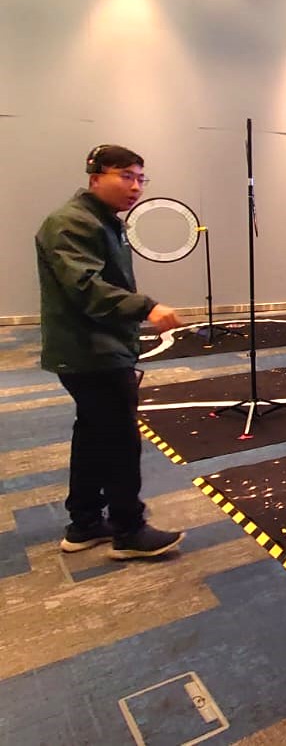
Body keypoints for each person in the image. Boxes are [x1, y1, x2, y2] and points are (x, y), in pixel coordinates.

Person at [35, 145, 184, 559]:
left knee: (93, 434)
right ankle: (128, 531)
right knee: (119, 440)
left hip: (97, 347)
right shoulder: (71, 223)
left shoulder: (101, 221)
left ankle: (84, 524)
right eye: (126, 176)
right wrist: (146, 307)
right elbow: (86, 287)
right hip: (91, 351)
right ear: (95, 177)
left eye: (140, 178)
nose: (135, 187)